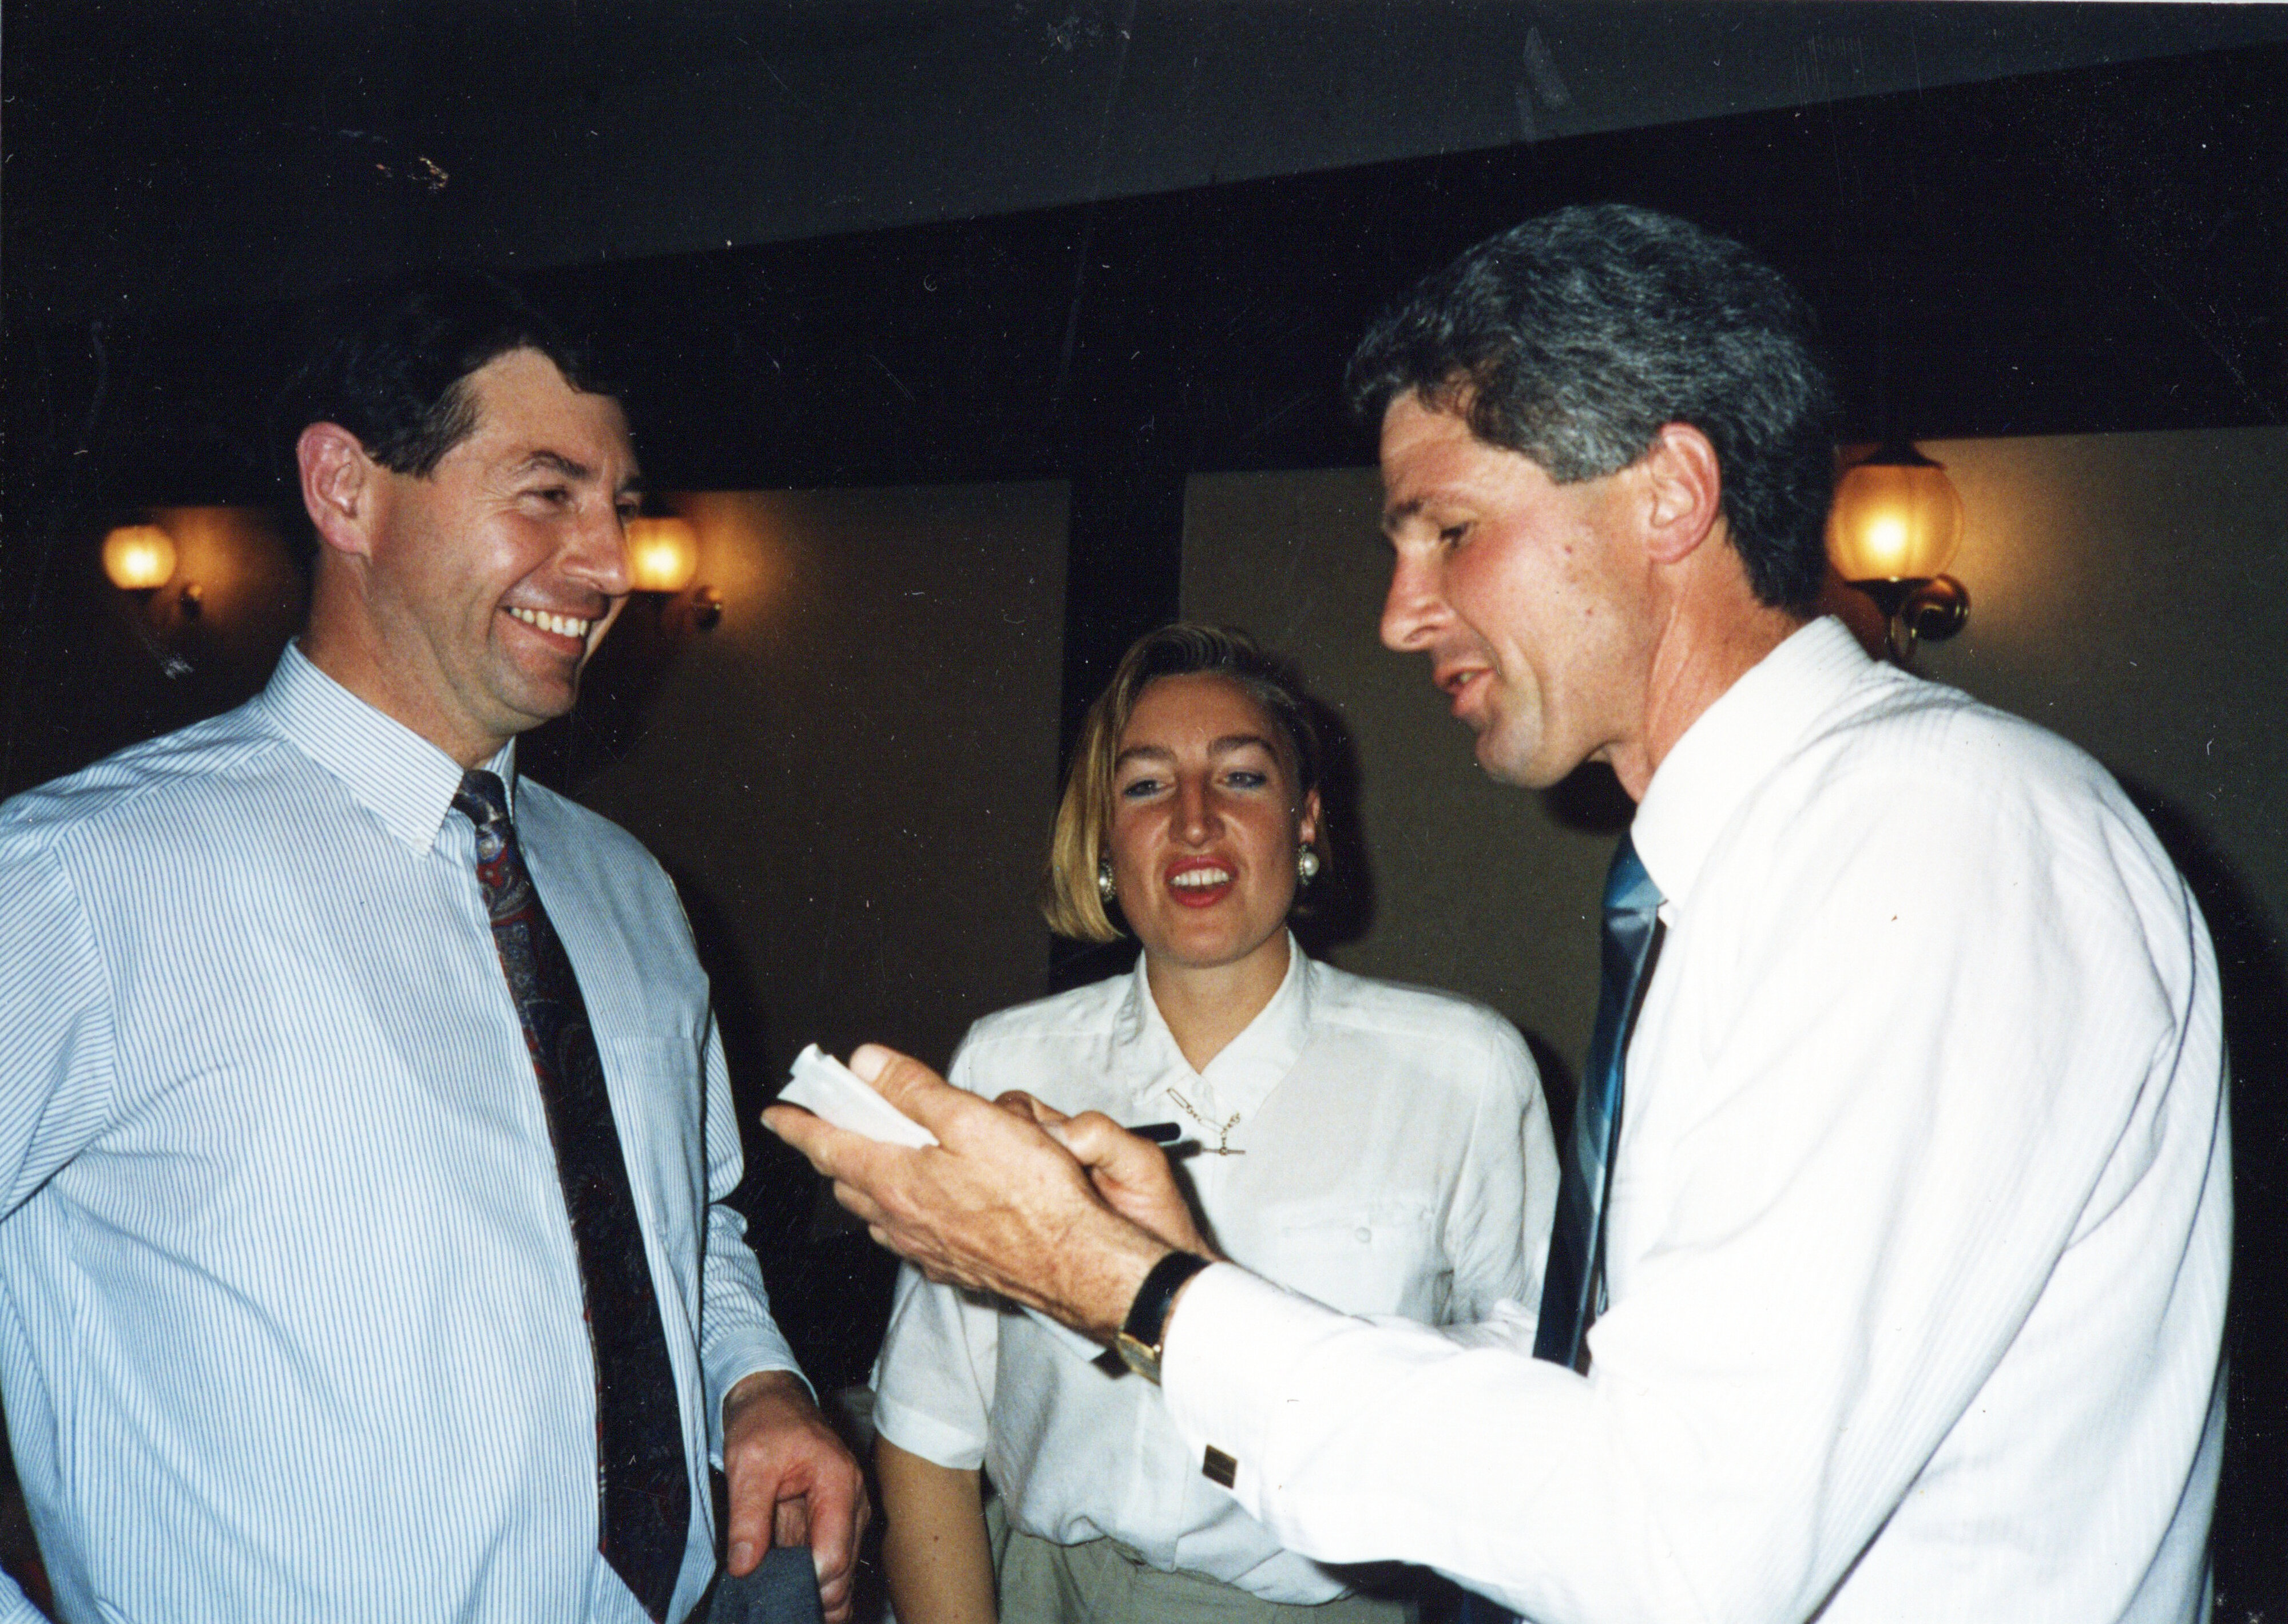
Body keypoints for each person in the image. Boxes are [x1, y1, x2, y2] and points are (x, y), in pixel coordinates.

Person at [767, 204, 2230, 1623]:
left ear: (1669, 493)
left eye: (1448, 529)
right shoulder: (1755, 869)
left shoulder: (1929, 842)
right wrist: (1187, 1284)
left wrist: (1125, 1289)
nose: (1399, 612)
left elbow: (1677, 1556)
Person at [0, 272, 866, 1623]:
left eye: (621, 504)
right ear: (346, 491)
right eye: (546, 492)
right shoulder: (78, 882)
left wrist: (758, 1388)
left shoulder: (629, 888)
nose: (611, 560)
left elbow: (689, 1237)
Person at [871, 625, 1556, 1624]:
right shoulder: (1005, 1066)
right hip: (1049, 1595)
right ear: (1103, 842)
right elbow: (929, 1429)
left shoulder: (1466, 1069)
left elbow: (1535, 1417)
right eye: (1147, 787)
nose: (1195, 823)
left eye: (1240, 778)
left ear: (1308, 820)